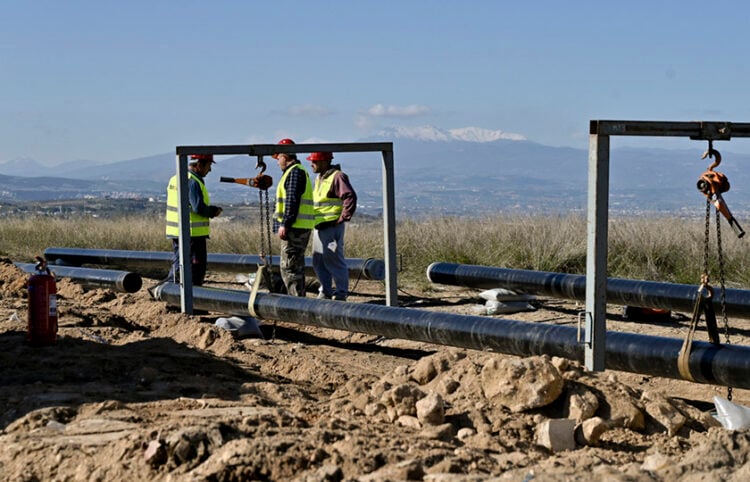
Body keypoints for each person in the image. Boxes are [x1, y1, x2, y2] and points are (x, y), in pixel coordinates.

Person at [165, 154, 222, 286]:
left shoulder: (176, 178)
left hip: (179, 232)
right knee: (193, 270)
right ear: (199, 165)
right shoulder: (193, 181)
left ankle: (172, 296)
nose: (210, 170)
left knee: (180, 265)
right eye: (209, 165)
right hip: (192, 235)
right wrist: (213, 211)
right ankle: (189, 300)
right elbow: (198, 207)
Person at [308, 151, 357, 301]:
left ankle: (341, 293)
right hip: (320, 225)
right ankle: (326, 291)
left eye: (314, 161)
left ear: (324, 161)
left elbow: (349, 196)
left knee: (333, 259)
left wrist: (343, 218)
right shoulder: (319, 178)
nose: (312, 164)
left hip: (331, 226)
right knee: (318, 260)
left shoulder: (337, 176)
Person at [272, 139, 316, 296]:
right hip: (297, 226)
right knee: (295, 265)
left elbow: (292, 200)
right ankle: (298, 301)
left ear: (285, 156)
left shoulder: (294, 172)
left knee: (289, 267)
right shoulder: (294, 172)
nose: (277, 162)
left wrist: (285, 224)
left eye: (278, 158)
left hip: (295, 228)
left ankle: (296, 304)